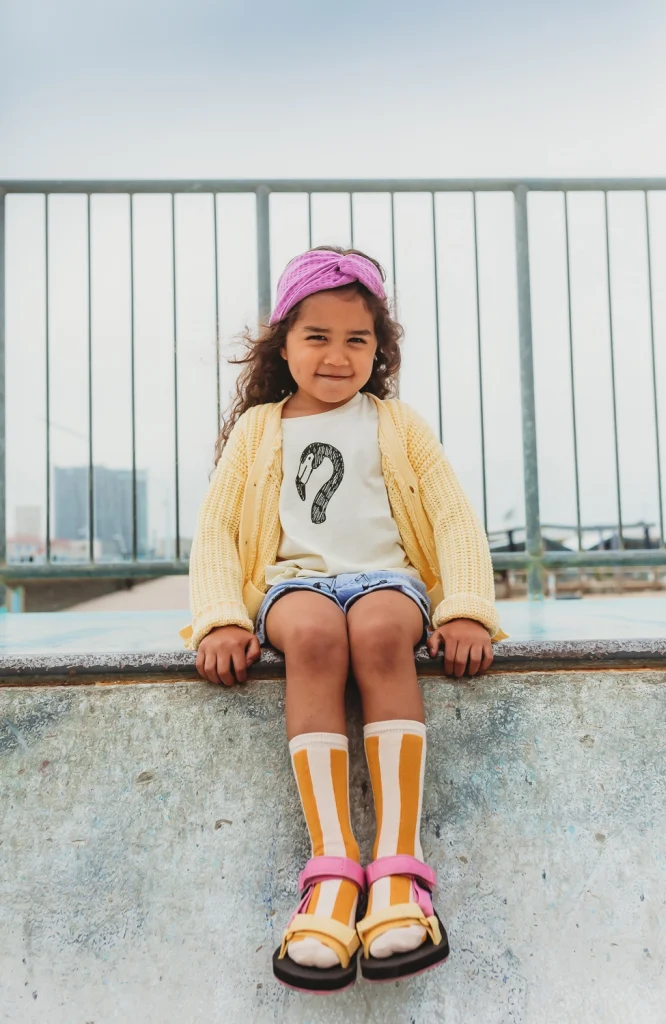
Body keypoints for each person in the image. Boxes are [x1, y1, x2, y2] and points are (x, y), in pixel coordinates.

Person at [183, 245, 508, 994]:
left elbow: (452, 517)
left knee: (381, 629)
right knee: (314, 634)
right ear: (283, 345)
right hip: (294, 585)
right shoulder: (259, 430)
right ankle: (331, 872)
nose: (336, 356)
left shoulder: (397, 425)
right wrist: (220, 619)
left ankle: (397, 870)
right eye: (317, 337)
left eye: (356, 339)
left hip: (386, 582)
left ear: (379, 350)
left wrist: (465, 609)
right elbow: (217, 530)